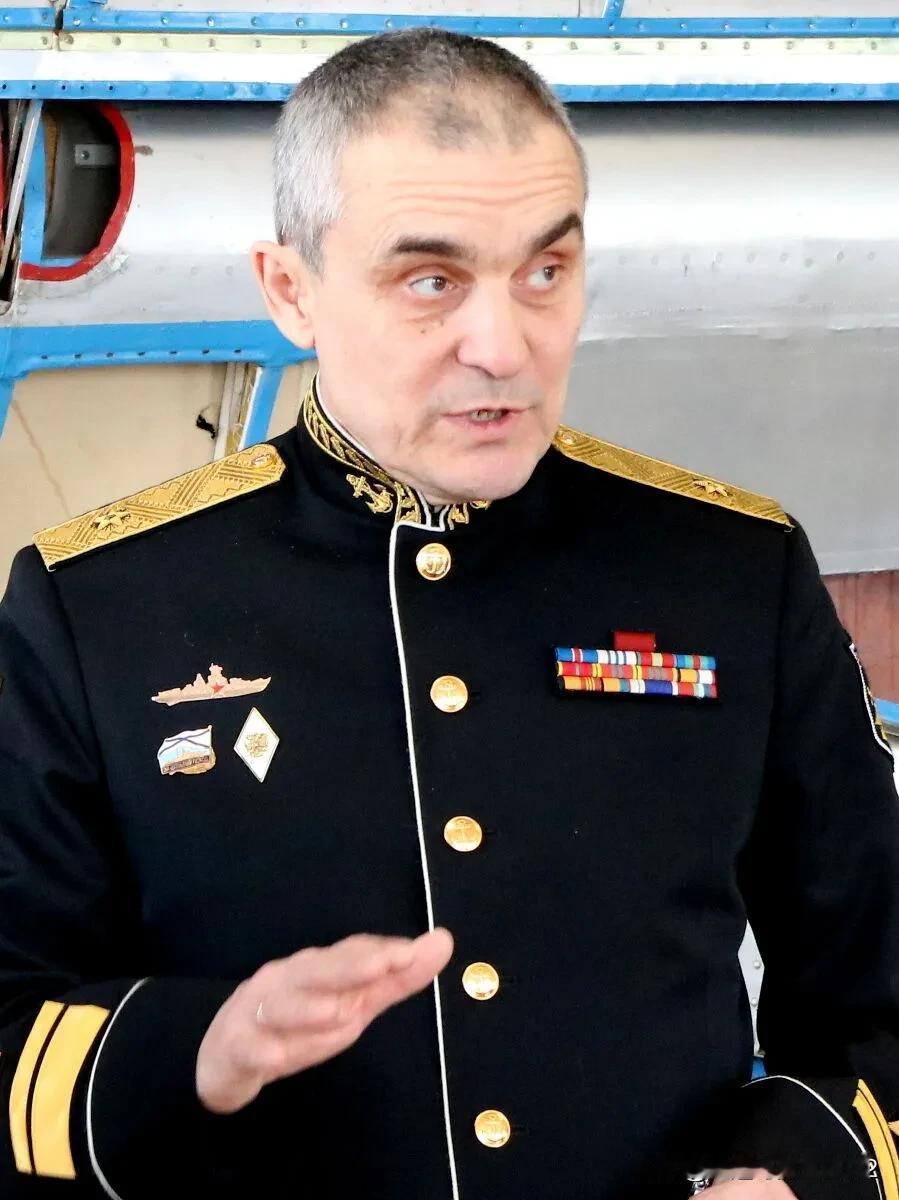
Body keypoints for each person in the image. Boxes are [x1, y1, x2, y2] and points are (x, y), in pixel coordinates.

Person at [1, 26, 897, 1200]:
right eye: (431, 282)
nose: (502, 345)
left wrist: (798, 1171)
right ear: (289, 290)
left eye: (544, 271)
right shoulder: (99, 604)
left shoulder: (729, 572)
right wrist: (198, 1049)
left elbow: (875, 995)